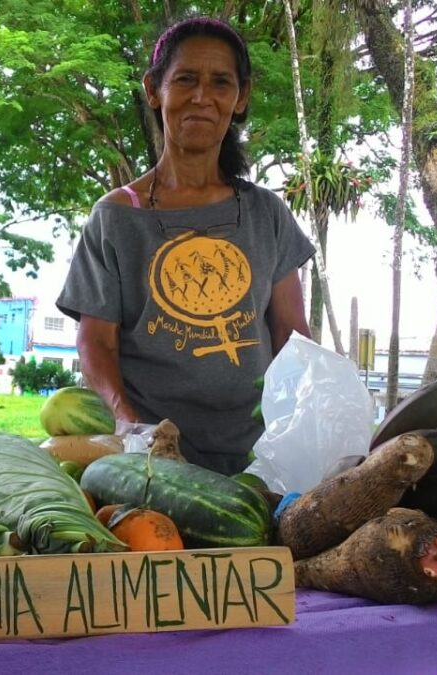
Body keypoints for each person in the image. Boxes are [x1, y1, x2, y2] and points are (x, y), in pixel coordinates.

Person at [56, 17, 315, 476]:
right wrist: (130, 426)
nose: (202, 97)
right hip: (152, 461)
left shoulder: (266, 214)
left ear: (241, 98)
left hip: (259, 461)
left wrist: (301, 430)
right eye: (186, 80)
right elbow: (95, 342)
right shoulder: (116, 217)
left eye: (221, 82)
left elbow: (291, 337)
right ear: (155, 90)